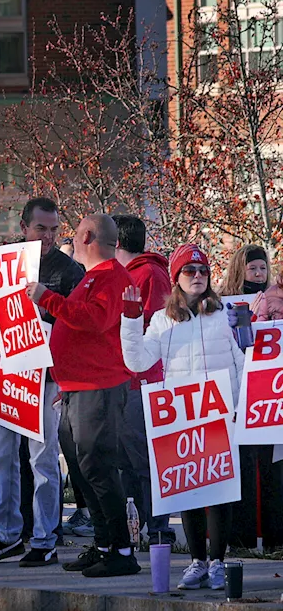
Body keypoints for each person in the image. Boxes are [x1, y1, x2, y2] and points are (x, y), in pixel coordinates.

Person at [0, 197, 84, 567]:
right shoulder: (4, 264)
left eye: (53, 229)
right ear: (23, 227)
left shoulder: (69, 270)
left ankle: (45, 538)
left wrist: (66, 378)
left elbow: (75, 328)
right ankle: (6, 534)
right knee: (2, 458)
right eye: (40, 228)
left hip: (45, 380)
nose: (48, 236)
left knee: (43, 462)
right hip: (2, 374)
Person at [120, 244, 243, 590]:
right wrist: (130, 320)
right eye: (190, 271)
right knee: (188, 490)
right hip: (182, 415)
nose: (198, 277)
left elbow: (242, 362)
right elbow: (138, 363)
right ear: (176, 278)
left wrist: (244, 335)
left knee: (218, 491)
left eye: (203, 271)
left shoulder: (225, 314)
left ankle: (218, 560)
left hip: (218, 413)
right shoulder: (162, 321)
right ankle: (197, 561)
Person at [26, 213, 139, 578]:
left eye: (74, 234)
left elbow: (94, 320)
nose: (70, 239)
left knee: (98, 467)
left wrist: (49, 299)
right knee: (82, 469)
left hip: (100, 388)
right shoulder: (93, 277)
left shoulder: (111, 276)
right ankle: (104, 544)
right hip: (77, 389)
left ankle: (122, 550)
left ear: (88, 235)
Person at [113, 214, 171, 539]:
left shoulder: (150, 273)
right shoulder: (121, 275)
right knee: (125, 460)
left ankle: (160, 531)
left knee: (145, 459)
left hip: (143, 381)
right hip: (118, 379)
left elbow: (154, 326)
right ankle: (134, 528)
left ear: (117, 242)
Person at [221, 245, 283, 549]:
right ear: (239, 270)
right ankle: (241, 539)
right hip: (240, 394)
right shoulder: (225, 303)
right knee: (243, 467)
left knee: (274, 467)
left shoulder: (276, 298)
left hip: (270, 393)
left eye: (262, 268)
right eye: (253, 269)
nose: (259, 275)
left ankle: (275, 539)